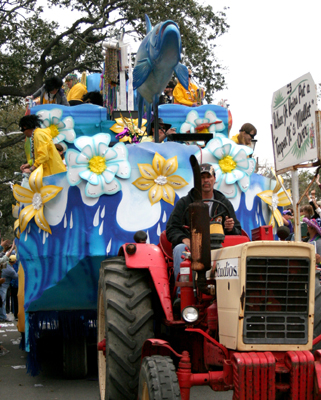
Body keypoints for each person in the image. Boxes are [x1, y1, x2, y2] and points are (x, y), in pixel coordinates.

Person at [166, 163, 242, 281]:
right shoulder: (184, 203)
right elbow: (172, 228)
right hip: (191, 248)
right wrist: (184, 239)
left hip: (218, 246)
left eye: (209, 177)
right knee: (179, 249)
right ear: (197, 180)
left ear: (214, 179)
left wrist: (230, 228)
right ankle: (183, 293)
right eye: (202, 177)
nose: (206, 180)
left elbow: (237, 232)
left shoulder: (224, 203)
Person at [0, 255, 18, 322]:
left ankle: (3, 315)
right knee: (2, 301)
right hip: (4, 286)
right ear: (15, 261)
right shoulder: (11, 270)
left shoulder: (5, 264)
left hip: (2, 285)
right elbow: (16, 276)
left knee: (2, 301)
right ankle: (2, 317)